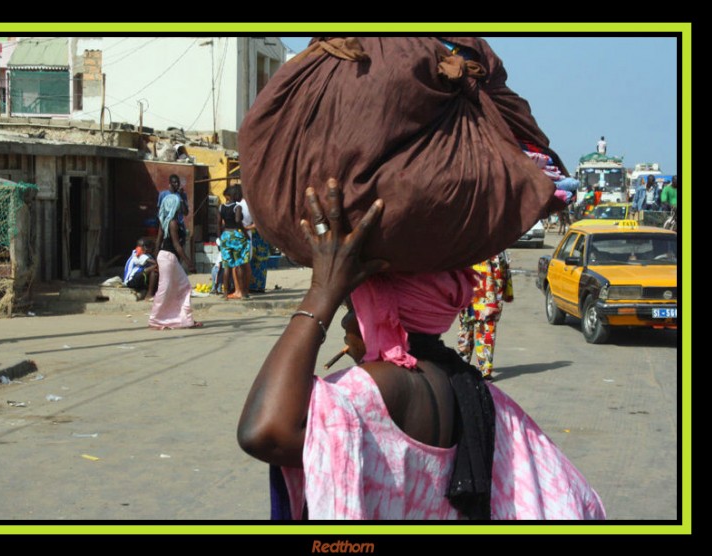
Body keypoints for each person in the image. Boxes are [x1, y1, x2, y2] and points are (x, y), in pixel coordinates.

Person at [237, 179, 606, 520]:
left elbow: (264, 432)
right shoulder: (469, 388)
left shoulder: (370, 392)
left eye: (354, 306)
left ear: (383, 309)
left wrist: (322, 291)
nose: (347, 322)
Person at [148, 195, 202, 330]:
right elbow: (177, 245)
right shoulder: (172, 223)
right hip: (168, 257)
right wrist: (189, 263)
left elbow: (158, 242)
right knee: (165, 289)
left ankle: (183, 320)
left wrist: (156, 259)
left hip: (165, 257)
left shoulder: (165, 221)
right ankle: (156, 319)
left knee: (182, 286)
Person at [456, 252, 513, 380]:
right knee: (483, 334)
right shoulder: (497, 249)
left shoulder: (468, 247)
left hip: (472, 298)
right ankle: (484, 370)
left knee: (467, 330)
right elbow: (505, 272)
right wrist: (507, 294)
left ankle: (463, 365)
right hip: (487, 300)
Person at [219, 185, 250, 300]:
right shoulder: (237, 207)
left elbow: (218, 224)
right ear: (235, 195)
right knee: (239, 264)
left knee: (226, 265)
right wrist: (245, 233)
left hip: (225, 235)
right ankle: (243, 293)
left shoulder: (221, 207)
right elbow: (238, 220)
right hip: (236, 235)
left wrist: (219, 238)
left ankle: (225, 293)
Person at [157, 174, 194, 271]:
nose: (177, 184)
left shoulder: (181, 195)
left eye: (178, 182)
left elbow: (185, 212)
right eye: (174, 182)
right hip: (168, 224)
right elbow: (160, 210)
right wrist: (189, 263)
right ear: (169, 183)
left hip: (179, 225)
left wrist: (181, 197)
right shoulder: (163, 195)